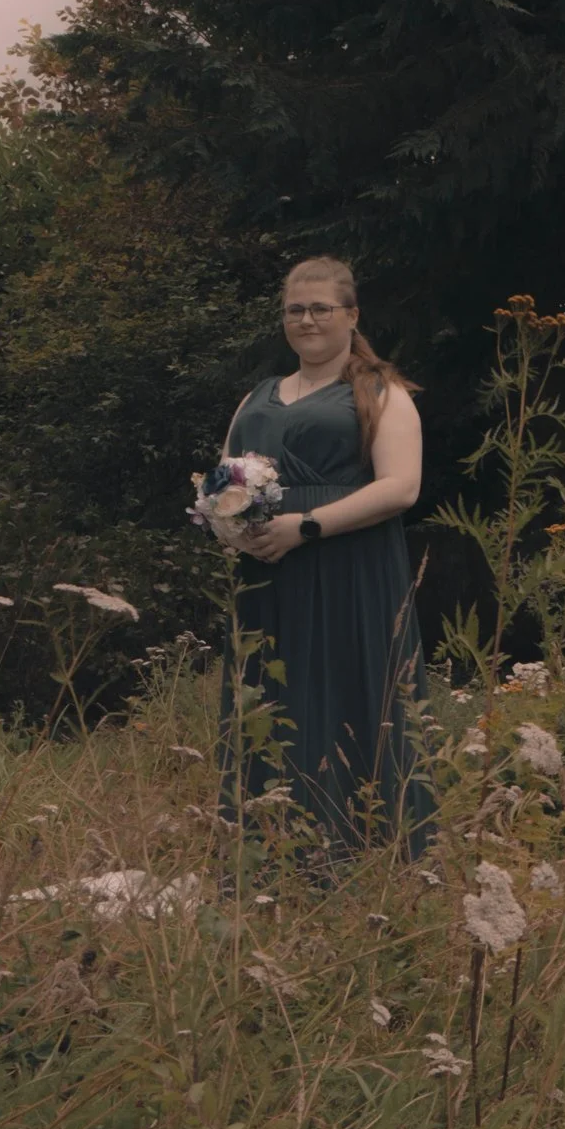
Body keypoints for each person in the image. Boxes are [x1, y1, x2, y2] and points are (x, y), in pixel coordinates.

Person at [224, 256, 433, 853]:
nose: (307, 320)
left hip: (352, 573)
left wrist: (306, 527)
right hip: (268, 576)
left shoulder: (380, 393)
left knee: (350, 696)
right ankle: (273, 854)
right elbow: (223, 482)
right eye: (295, 310)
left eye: (321, 308)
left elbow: (402, 487)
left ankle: (364, 852)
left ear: (351, 315)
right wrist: (233, 531)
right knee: (273, 706)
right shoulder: (256, 398)